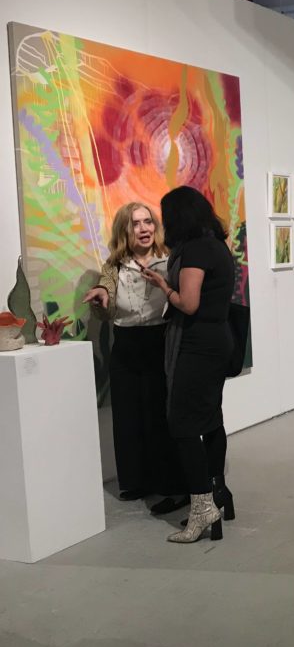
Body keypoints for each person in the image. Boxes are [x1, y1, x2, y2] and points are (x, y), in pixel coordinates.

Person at [141, 186, 236, 544]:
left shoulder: (195, 250)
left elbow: (189, 303)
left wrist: (163, 287)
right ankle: (218, 492)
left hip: (198, 346)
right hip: (217, 341)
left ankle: (201, 508)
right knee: (210, 420)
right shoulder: (217, 245)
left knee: (182, 425)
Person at [83, 202, 186, 515]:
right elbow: (106, 301)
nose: (144, 229)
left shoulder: (169, 260)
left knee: (158, 416)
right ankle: (136, 481)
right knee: (128, 417)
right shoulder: (115, 265)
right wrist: (101, 298)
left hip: (158, 340)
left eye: (148, 222)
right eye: (136, 224)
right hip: (126, 343)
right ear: (124, 231)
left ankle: (167, 484)